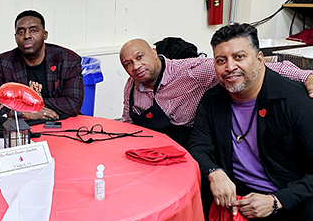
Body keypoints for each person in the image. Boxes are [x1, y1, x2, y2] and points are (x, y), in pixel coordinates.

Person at [188, 23, 313, 221]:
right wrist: (215, 172)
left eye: (239, 57)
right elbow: (198, 145)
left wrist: (276, 201)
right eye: (221, 60)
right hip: (237, 195)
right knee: (182, 190)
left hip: (287, 197)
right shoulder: (213, 100)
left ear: (259, 59)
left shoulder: (294, 101)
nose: (229, 67)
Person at [120, 38, 313, 146]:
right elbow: (127, 123)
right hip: (149, 151)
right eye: (128, 64)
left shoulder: (190, 72)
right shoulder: (132, 86)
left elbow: (252, 69)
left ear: (154, 52)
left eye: (140, 57)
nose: (136, 66)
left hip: (187, 151)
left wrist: (306, 76)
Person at [0, 10, 83, 120]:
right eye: (21, 32)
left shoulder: (67, 59)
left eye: (33, 30)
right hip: (23, 125)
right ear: (15, 37)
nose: (27, 36)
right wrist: (22, 112)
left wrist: (21, 103)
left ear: (45, 35)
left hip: (61, 123)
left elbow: (73, 104)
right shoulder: (6, 61)